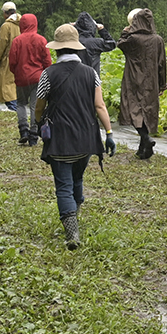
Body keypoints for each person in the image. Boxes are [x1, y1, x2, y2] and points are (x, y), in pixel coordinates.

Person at [33, 23, 116, 250]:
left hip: (60, 138)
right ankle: (74, 219)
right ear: (78, 48)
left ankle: (72, 233)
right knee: (77, 179)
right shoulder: (91, 74)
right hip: (87, 138)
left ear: (57, 49)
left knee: (63, 185)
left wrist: (39, 124)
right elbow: (99, 106)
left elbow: (39, 106)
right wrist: (108, 133)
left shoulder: (48, 74)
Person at [118, 8, 167, 159]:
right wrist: (162, 84)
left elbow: (120, 44)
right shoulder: (158, 39)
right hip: (151, 81)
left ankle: (146, 139)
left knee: (132, 110)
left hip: (133, 80)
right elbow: (162, 63)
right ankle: (144, 149)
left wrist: (126, 31)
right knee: (146, 111)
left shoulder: (133, 39)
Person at [8, 12, 51, 146]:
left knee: (20, 104)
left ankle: (23, 131)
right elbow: (47, 61)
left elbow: (12, 61)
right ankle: (33, 135)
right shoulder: (41, 40)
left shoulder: (17, 40)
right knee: (34, 106)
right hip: (37, 78)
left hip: (21, 77)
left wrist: (16, 72)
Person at [0, 2, 21, 110]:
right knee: (15, 84)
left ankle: (13, 108)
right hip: (20, 58)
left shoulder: (6, 26)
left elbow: (2, 44)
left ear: (5, 13)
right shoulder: (22, 23)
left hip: (8, 59)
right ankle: (18, 107)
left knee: (7, 85)